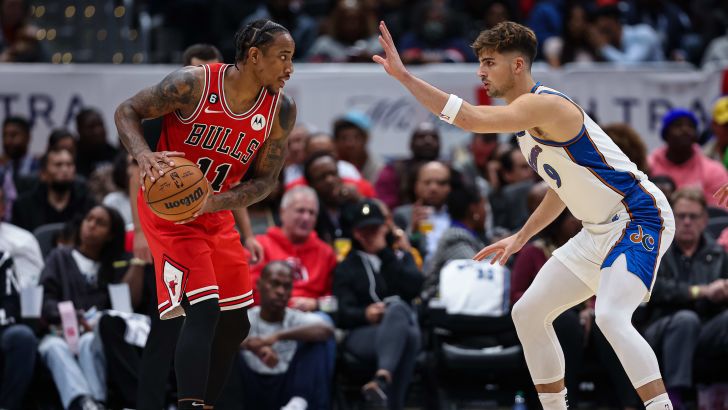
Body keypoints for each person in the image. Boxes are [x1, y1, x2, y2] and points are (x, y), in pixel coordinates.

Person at [374, 20, 676, 410]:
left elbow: (470, 119)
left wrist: (404, 77)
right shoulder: (524, 122)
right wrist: (521, 236)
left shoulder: (543, 104)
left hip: (639, 215)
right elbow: (562, 187)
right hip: (598, 229)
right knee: (529, 312)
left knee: (611, 316)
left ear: (517, 65)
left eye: (489, 62)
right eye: (480, 63)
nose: (481, 72)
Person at [114, 18, 296, 410]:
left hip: (215, 211)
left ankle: (205, 404)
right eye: (283, 57)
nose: (290, 67)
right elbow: (127, 110)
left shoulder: (281, 110)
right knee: (204, 308)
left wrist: (216, 203)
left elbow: (265, 182)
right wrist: (143, 155)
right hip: (169, 212)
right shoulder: (193, 84)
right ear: (254, 56)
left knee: (236, 323)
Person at [333, 199, 423, 410]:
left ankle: (381, 381)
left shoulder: (400, 256)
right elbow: (342, 312)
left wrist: (385, 253)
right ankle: (388, 393)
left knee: (400, 313)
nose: (371, 234)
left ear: (385, 228)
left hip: (399, 327)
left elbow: (415, 287)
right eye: (365, 230)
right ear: (356, 233)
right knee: (409, 334)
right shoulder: (346, 266)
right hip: (363, 333)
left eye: (375, 228)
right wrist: (365, 314)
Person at [221, 261, 335, 410]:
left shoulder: (295, 317)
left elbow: (326, 330)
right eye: (274, 284)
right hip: (249, 387)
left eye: (287, 286)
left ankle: (297, 404)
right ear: (259, 285)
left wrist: (276, 336)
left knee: (319, 341)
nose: (281, 291)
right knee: (225, 347)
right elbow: (219, 335)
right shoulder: (247, 318)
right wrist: (253, 347)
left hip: (287, 387)